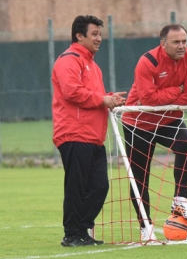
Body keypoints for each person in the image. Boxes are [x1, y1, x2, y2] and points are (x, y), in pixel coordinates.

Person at [121, 24, 187, 241]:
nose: (182, 46)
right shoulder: (148, 62)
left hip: (169, 119)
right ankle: (145, 226)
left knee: (186, 145)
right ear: (163, 43)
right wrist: (178, 90)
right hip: (138, 122)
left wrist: (167, 95)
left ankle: (181, 199)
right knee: (140, 177)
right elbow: (148, 100)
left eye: (184, 41)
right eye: (176, 42)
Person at [52, 15, 127, 247]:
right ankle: (71, 234)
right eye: (94, 34)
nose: (99, 38)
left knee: (99, 186)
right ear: (79, 35)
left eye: (100, 34)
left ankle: (82, 230)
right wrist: (103, 99)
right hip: (74, 134)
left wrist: (111, 98)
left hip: (94, 137)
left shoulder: (92, 65)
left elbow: (96, 98)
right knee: (77, 186)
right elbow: (72, 92)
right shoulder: (69, 60)